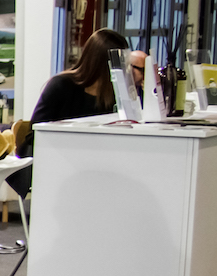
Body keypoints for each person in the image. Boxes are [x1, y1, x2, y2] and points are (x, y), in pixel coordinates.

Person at [12, 28, 132, 195]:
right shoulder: (61, 86)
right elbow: (35, 134)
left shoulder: (113, 94)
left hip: (91, 161)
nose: (126, 68)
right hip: (53, 160)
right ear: (105, 63)